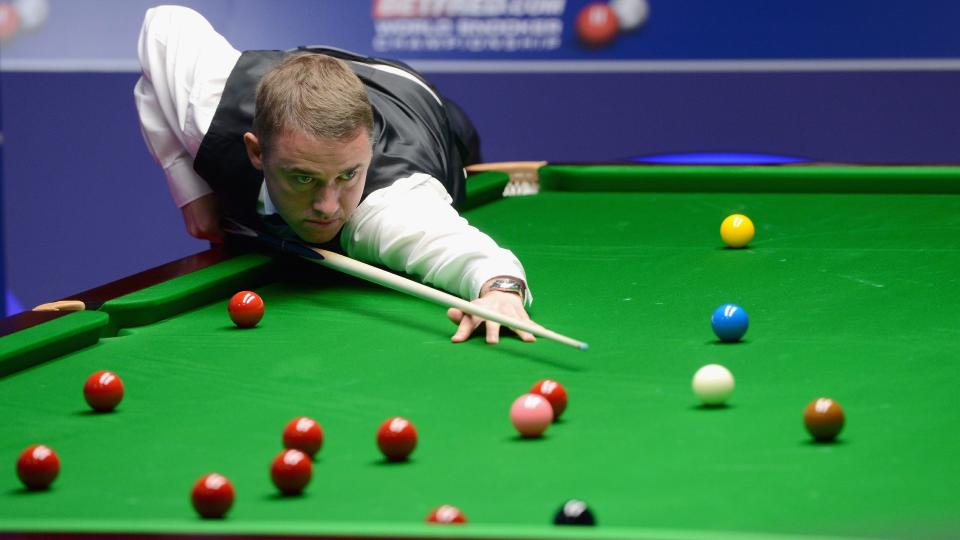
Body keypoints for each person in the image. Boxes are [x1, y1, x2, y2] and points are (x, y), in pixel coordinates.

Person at [134, 5, 537, 344]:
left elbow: (466, 254)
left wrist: (500, 289)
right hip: (317, 73)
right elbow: (163, 23)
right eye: (303, 179)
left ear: (368, 148)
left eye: (348, 175)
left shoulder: (389, 206)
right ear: (256, 151)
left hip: (428, 111)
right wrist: (190, 188)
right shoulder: (209, 108)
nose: (328, 208)